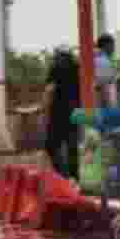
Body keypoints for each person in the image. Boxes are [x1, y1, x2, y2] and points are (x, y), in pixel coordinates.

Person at [41, 49, 81, 180]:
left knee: (50, 146)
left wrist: (44, 112)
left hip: (58, 113)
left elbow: (49, 91)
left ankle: (63, 177)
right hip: (76, 112)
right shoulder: (78, 68)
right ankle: (75, 179)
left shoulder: (56, 68)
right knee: (73, 148)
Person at [94, 34, 119, 107]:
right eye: (113, 45)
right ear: (107, 45)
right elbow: (105, 88)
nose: (114, 49)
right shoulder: (103, 61)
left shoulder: (96, 58)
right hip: (101, 107)